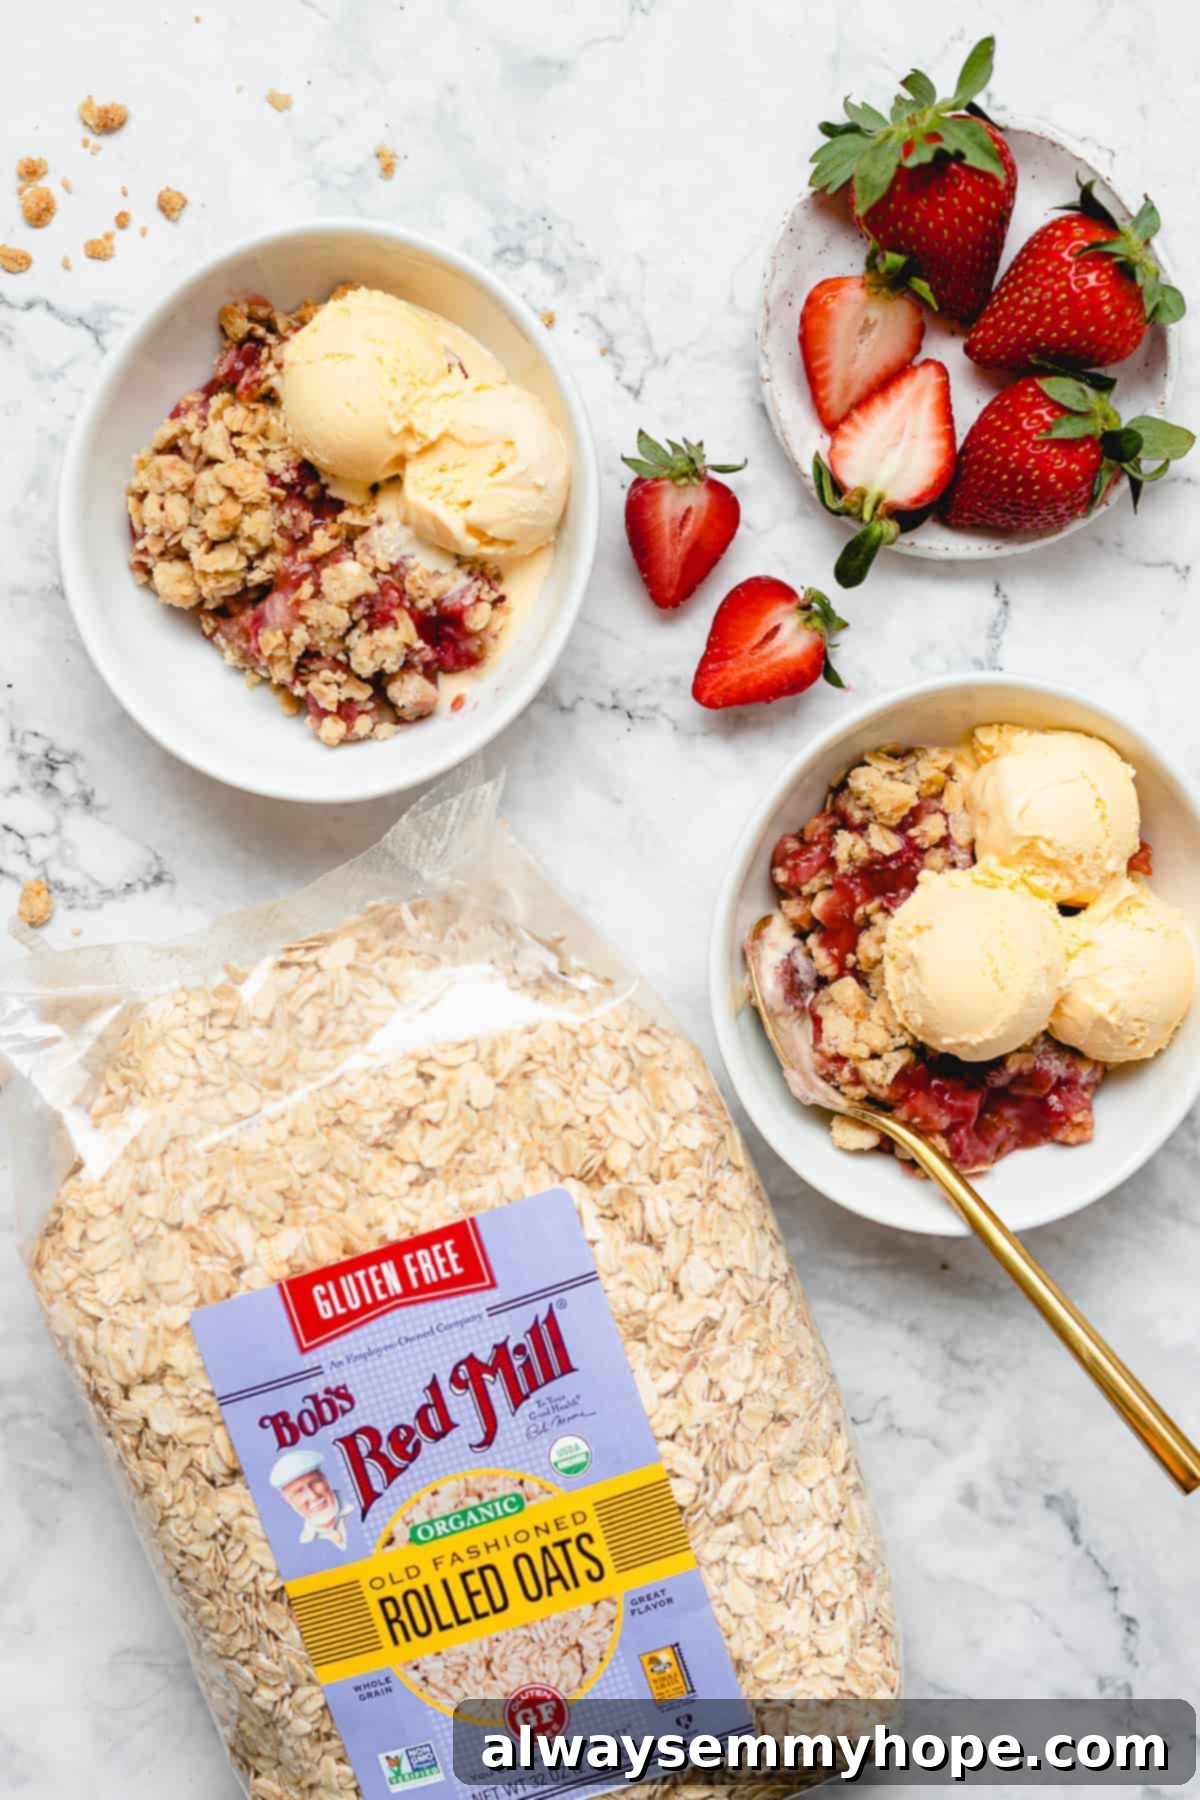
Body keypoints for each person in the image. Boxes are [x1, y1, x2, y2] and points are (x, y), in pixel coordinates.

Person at [269, 1448, 354, 1551]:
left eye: (314, 1483)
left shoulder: (360, 1510)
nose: (313, 1496)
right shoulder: (304, 1543)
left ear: (325, 1479)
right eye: (299, 1492)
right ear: (287, 1502)